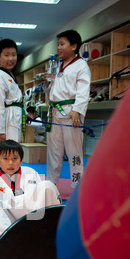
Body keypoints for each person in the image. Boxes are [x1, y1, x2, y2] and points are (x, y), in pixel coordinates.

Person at [0, 140, 61, 241]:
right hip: (7, 217)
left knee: (47, 185)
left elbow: (40, 196)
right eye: (5, 158)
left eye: (15, 158)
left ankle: (50, 225)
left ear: (21, 159)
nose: (10, 163)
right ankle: (6, 237)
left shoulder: (30, 172)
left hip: (32, 215)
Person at [43, 30, 91, 188]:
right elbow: (51, 91)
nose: (58, 47)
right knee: (53, 151)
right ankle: (51, 185)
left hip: (71, 113)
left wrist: (77, 110)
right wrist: (47, 83)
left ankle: (77, 189)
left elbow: (83, 90)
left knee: (74, 152)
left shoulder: (81, 65)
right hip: (54, 111)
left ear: (74, 46)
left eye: (62, 44)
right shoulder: (57, 66)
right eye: (58, 44)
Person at [0, 39, 25, 168]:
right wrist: (0, 131)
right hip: (7, 120)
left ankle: (7, 183)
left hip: (13, 117)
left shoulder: (9, 74)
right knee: (6, 154)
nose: (11, 58)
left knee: (12, 153)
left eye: (14, 54)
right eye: (6, 55)